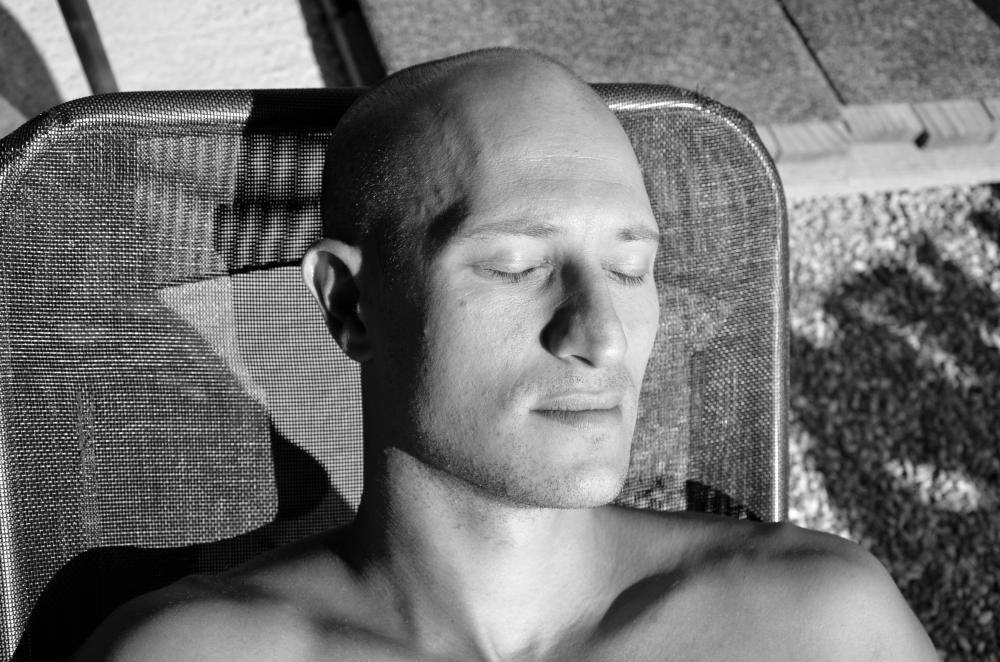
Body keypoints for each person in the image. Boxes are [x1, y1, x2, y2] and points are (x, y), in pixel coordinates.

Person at [71, 47, 938, 661]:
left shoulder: (819, 626)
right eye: (517, 267)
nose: (601, 334)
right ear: (350, 305)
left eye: (630, 269)